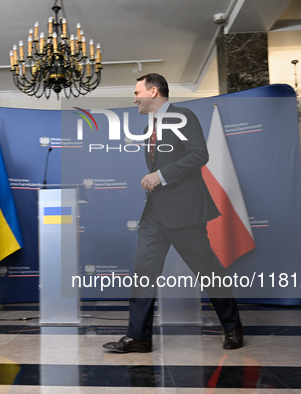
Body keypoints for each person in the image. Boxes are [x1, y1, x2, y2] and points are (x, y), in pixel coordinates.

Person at [103, 73, 243, 353]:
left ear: (153, 92)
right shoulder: (150, 127)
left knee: (208, 271)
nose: (134, 99)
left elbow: (198, 155)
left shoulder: (184, 116)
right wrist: (157, 180)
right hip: (154, 214)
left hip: (185, 213)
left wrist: (160, 176)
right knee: (143, 273)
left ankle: (233, 327)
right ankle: (139, 337)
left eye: (137, 92)